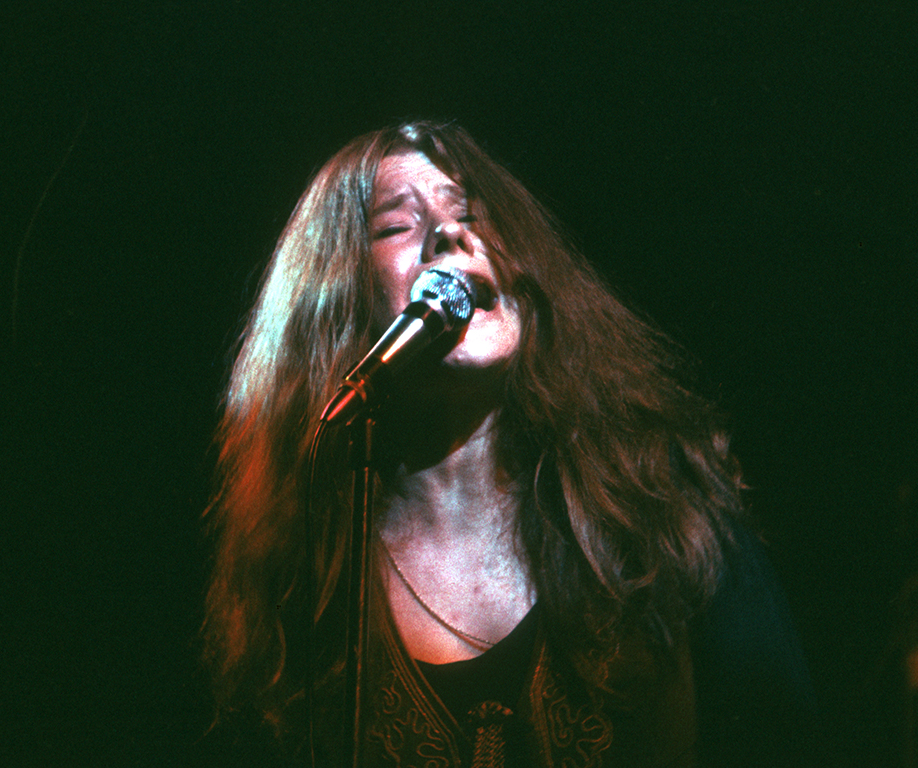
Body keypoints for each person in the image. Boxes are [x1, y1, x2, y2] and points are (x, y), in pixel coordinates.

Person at [201, 121, 818, 767]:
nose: (449, 233)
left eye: (468, 212)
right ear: (339, 300)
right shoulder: (306, 572)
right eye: (395, 226)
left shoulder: (660, 498)